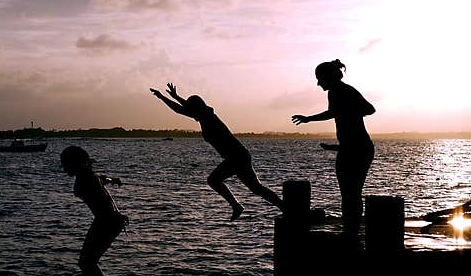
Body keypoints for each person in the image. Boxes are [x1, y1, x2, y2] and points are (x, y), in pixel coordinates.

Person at [151, 83, 283, 219]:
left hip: (237, 157)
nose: (190, 113)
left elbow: (180, 109)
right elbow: (186, 108)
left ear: (196, 109)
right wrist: (176, 96)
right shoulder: (205, 115)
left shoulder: (207, 117)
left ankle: (237, 206)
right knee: (256, 188)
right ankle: (282, 207)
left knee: (214, 181)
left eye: (191, 109)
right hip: (238, 156)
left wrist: (162, 97)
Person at [292, 59, 375, 240]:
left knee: (350, 192)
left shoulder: (340, 91)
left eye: (319, 79)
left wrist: (309, 119)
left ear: (328, 77)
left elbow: (366, 109)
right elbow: (358, 110)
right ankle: (351, 228)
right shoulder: (343, 91)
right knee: (351, 192)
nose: (318, 83)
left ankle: (350, 231)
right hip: (355, 148)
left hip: (357, 149)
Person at [60, 145, 128, 276]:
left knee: (86, 262)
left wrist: (109, 181)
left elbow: (98, 181)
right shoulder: (88, 176)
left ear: (78, 164)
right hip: (107, 221)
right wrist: (113, 179)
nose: (64, 168)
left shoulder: (85, 179)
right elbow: (101, 179)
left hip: (108, 221)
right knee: (86, 262)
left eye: (66, 164)